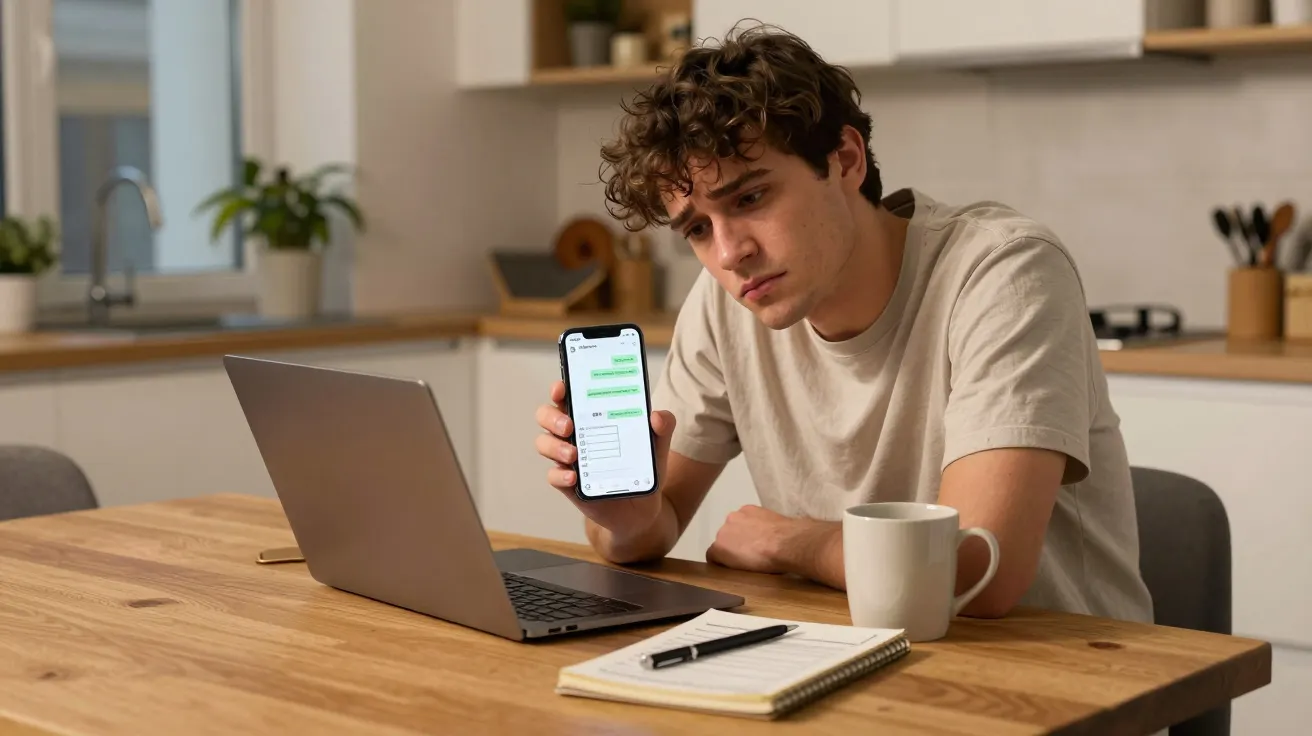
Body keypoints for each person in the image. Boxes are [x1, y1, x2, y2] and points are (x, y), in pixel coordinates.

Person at [533, 25, 1153, 623]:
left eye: (750, 198)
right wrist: (627, 516)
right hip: (851, 657)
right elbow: (646, 529)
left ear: (846, 159)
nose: (729, 253)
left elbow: (974, 571)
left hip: (1057, 681)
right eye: (697, 229)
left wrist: (792, 544)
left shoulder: (1002, 272)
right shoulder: (726, 302)